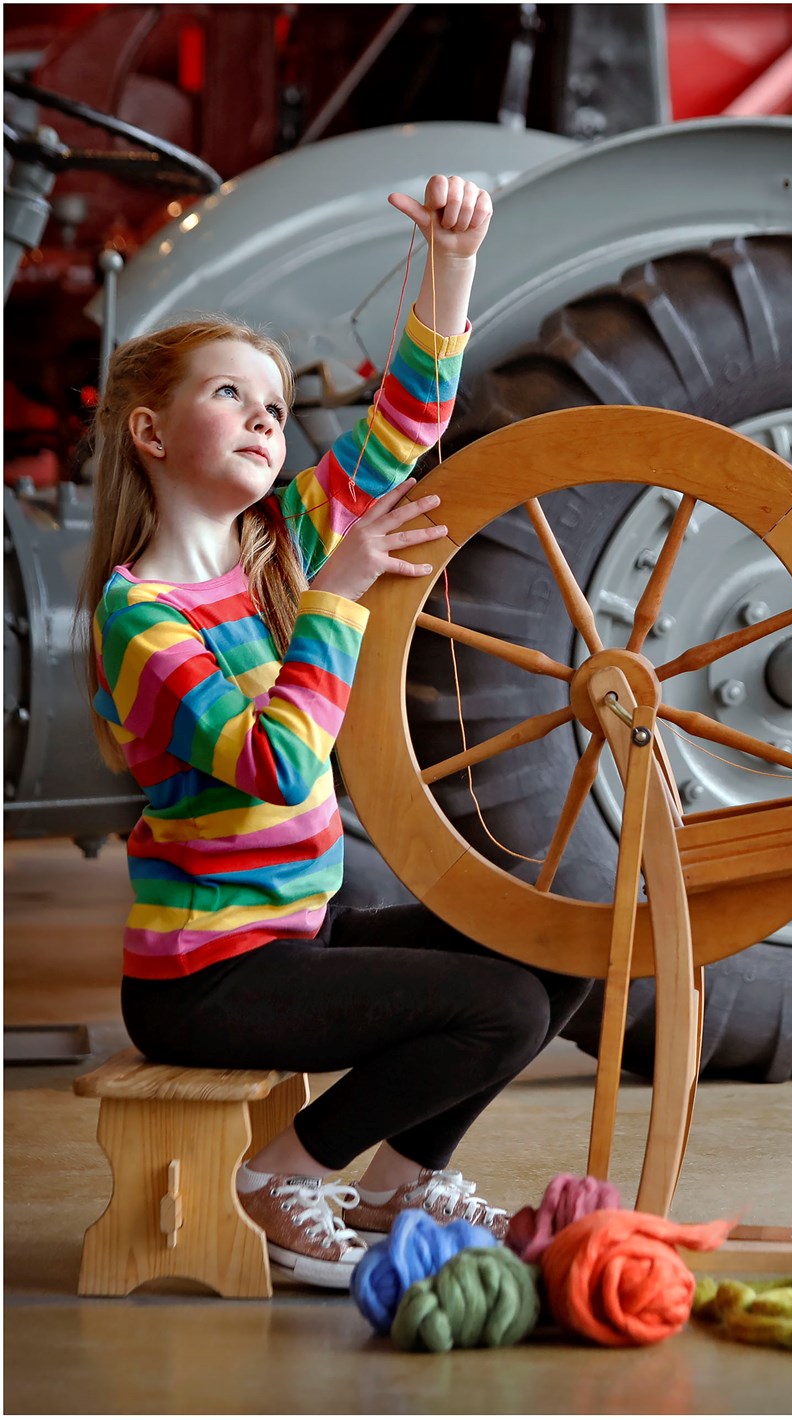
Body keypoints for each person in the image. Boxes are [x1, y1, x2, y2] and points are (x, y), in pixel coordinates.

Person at [79, 175, 591, 1290]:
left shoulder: (281, 545)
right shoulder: (142, 617)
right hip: (206, 977)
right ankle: (280, 1174)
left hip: (297, 938)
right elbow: (276, 760)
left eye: (274, 402)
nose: (267, 416)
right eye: (233, 395)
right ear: (153, 431)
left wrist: (453, 259)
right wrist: (341, 593)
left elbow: (407, 424)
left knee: (561, 941)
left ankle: (404, 1172)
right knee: (498, 1005)